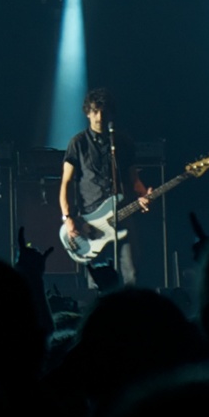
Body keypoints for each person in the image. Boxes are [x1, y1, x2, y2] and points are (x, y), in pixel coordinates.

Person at [59, 88, 148, 289]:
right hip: (90, 222)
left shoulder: (123, 142)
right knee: (98, 282)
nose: (99, 117)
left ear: (111, 113)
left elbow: (133, 179)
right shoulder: (78, 143)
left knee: (131, 274)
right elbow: (65, 183)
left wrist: (143, 195)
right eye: (95, 111)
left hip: (122, 215)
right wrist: (68, 218)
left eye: (103, 112)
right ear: (87, 112)